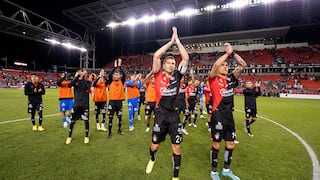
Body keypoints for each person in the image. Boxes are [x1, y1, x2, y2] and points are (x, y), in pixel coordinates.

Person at [145, 26, 189, 180]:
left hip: (174, 116)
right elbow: (157, 56)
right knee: (155, 144)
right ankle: (152, 159)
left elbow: (186, 58)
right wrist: (171, 42)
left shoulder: (178, 74)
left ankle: (175, 177)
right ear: (163, 65)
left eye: (173, 62)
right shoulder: (157, 75)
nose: (172, 64)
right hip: (161, 115)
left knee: (176, 146)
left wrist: (178, 41)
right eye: (169, 63)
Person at [208, 42, 246, 180]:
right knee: (216, 145)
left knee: (230, 144)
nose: (225, 66)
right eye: (223, 65)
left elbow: (243, 65)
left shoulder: (231, 79)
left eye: (227, 65)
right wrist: (226, 54)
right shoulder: (213, 79)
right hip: (217, 116)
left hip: (229, 117)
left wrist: (233, 53)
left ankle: (226, 170)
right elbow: (216, 66)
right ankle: (213, 172)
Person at [66, 69, 91, 144]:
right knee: (73, 121)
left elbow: (87, 88)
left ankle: (86, 136)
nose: (82, 73)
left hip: (85, 105)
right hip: (76, 104)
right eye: (80, 72)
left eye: (83, 72)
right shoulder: (75, 81)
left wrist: (83, 78)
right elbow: (69, 85)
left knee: (86, 120)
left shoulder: (88, 82)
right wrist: (76, 77)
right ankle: (69, 136)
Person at [107, 59, 126, 138]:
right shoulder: (111, 82)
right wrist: (114, 67)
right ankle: (110, 132)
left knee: (119, 117)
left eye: (118, 74)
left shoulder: (122, 81)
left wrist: (120, 66)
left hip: (119, 102)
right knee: (110, 117)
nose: (116, 75)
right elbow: (109, 74)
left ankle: (119, 130)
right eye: (115, 74)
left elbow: (124, 74)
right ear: (113, 76)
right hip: (112, 102)